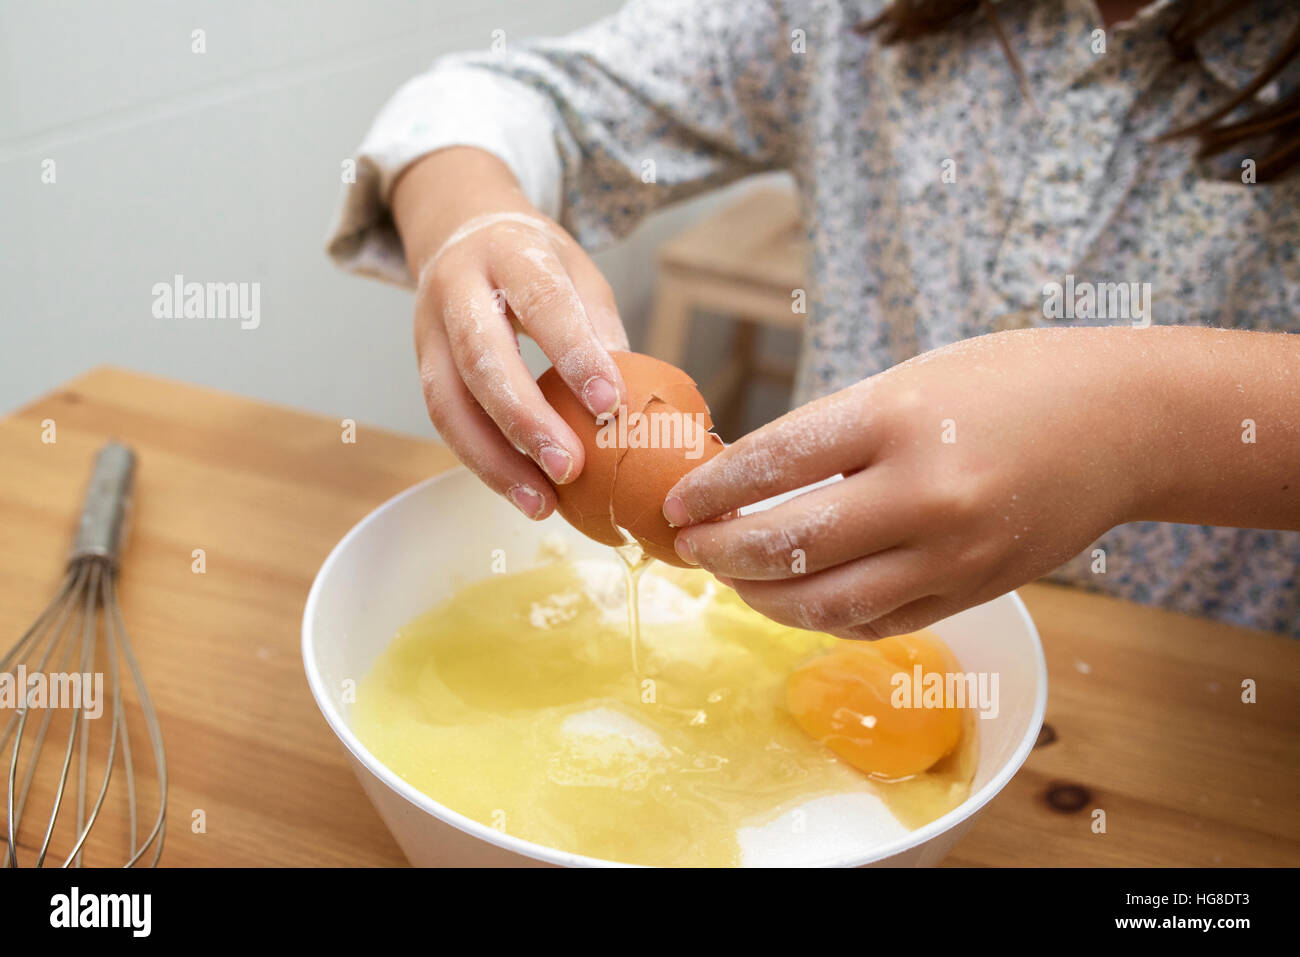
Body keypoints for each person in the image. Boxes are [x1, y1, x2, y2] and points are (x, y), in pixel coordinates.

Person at [327, 0, 1300, 637]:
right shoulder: (843, 19)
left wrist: (1144, 427)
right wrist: (468, 212)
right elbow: (497, 98)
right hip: (831, 634)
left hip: (1210, 693)